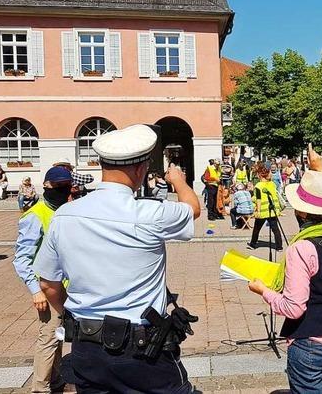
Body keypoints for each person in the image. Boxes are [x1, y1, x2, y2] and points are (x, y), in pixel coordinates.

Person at [33, 124, 200, 393]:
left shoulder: (64, 215)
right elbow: (192, 208)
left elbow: (48, 284)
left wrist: (72, 314)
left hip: (86, 347)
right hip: (142, 348)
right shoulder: (149, 213)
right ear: (140, 169)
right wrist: (178, 180)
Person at [248, 165, 322, 393]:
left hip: (315, 342)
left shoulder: (302, 248)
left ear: (302, 212)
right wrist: (321, 168)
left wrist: (264, 291)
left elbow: (293, 308)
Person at [13, 167, 72, 393]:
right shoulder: (35, 215)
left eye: (66, 185)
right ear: (46, 186)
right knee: (48, 337)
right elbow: (21, 259)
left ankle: (55, 380)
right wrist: (35, 290)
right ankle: (40, 388)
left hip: (66, 287)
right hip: (47, 289)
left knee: (59, 334)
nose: (63, 190)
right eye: (57, 186)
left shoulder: (65, 211)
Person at [247, 162, 283, 251]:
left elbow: (258, 199)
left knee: (256, 229)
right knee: (275, 229)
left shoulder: (258, 186)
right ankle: (279, 247)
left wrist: (258, 211)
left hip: (262, 211)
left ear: (260, 175)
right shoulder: (272, 184)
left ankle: (252, 244)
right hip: (272, 210)